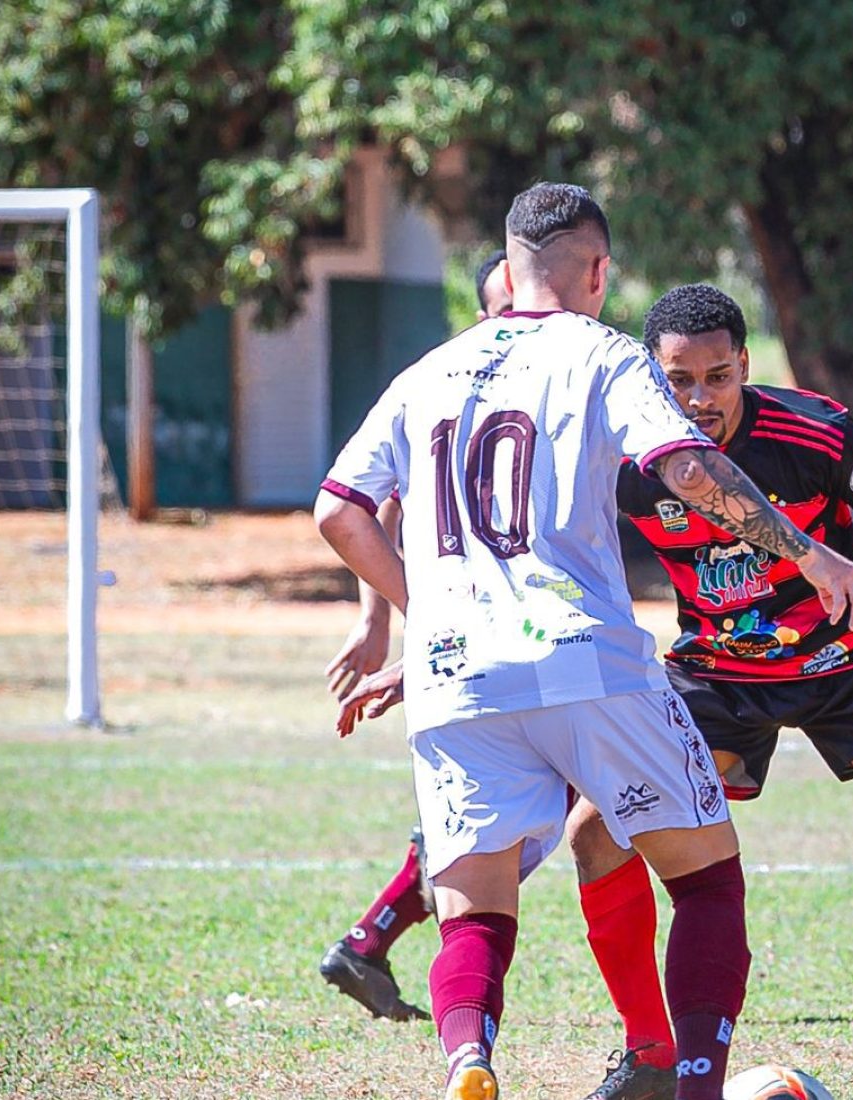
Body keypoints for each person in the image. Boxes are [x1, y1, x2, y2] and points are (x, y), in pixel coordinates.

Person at [339, 283, 853, 1100]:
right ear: (652, 374)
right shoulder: (621, 453)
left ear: (745, 365)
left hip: (846, 662)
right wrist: (427, 645)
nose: (699, 398)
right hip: (715, 674)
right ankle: (648, 1051)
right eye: (679, 379)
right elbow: (490, 539)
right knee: (596, 837)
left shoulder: (811, 430)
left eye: (718, 376)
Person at [314, 184, 853, 1100]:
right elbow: (684, 466)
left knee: (472, 915)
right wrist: (810, 551)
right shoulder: (604, 353)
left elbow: (339, 512)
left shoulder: (426, 370)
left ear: (505, 271)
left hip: (454, 680)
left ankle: (470, 1060)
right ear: (598, 272)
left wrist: (425, 614)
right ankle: (697, 1086)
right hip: (585, 658)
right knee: (706, 882)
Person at [317, 251, 512, 1023]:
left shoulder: (569, 382)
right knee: (514, 815)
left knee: (515, 811)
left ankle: (370, 940)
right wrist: (381, 619)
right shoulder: (447, 392)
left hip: (516, 634)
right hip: (477, 642)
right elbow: (372, 505)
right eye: (503, 309)